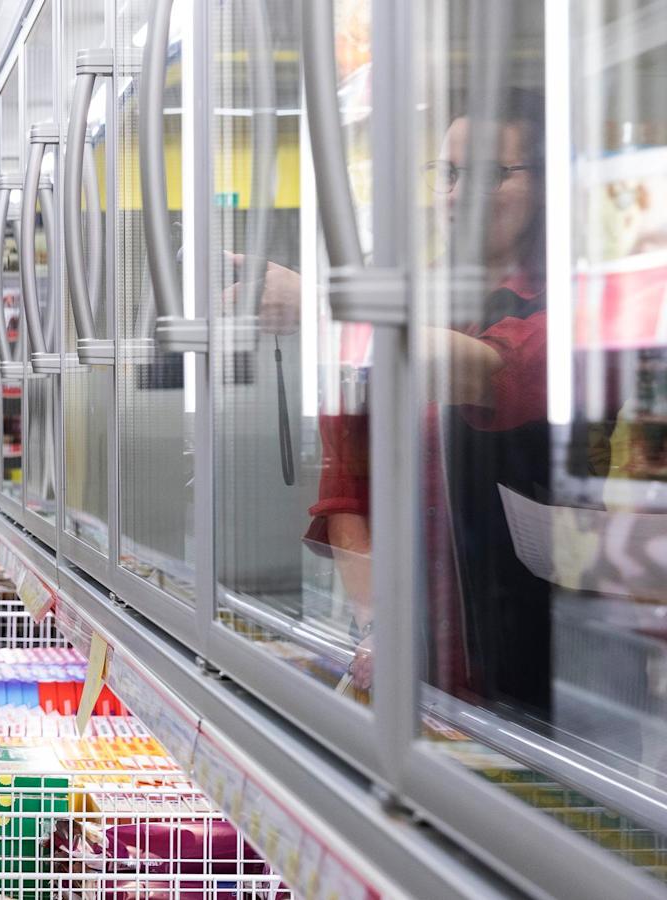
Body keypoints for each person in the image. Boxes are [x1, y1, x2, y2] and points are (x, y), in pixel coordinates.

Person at [235, 88, 554, 711]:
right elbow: (346, 480)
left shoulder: (561, 301)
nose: (461, 195)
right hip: (421, 668)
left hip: (546, 673)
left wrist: (327, 309)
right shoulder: (405, 298)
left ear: (543, 186)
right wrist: (378, 624)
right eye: (450, 173)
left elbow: (494, 375)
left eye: (492, 172)